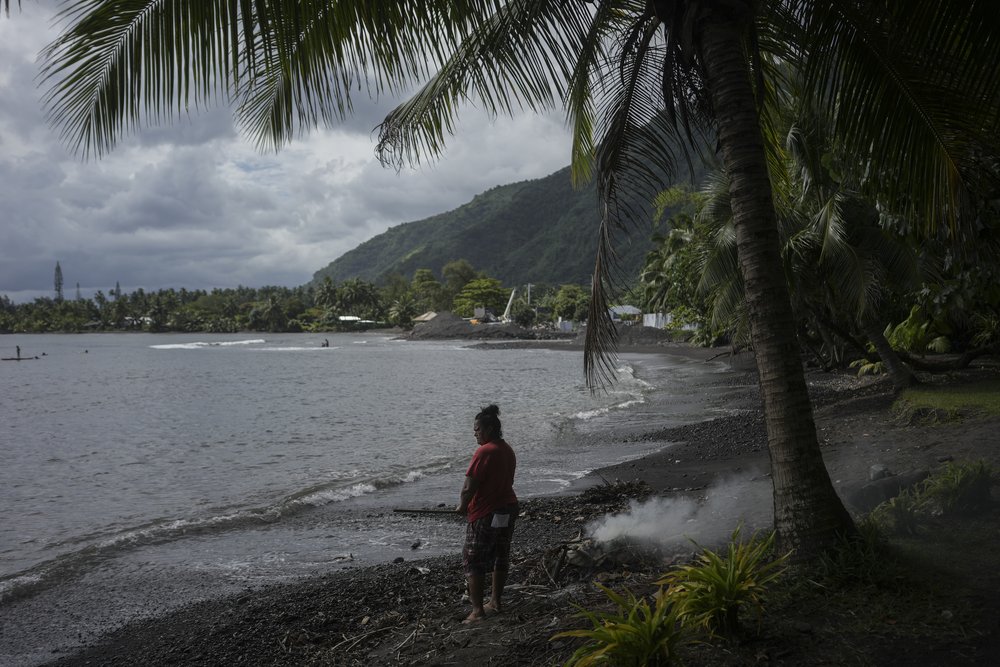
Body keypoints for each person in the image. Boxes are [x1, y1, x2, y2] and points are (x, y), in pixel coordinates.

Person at [456, 404, 518, 623]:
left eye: (478, 429)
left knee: (473, 559)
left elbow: (468, 487)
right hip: (508, 508)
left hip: (486, 512)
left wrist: (462, 506)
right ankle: (496, 602)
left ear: (490, 429)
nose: (475, 433)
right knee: (500, 554)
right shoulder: (507, 449)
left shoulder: (485, 451)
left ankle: (477, 611)